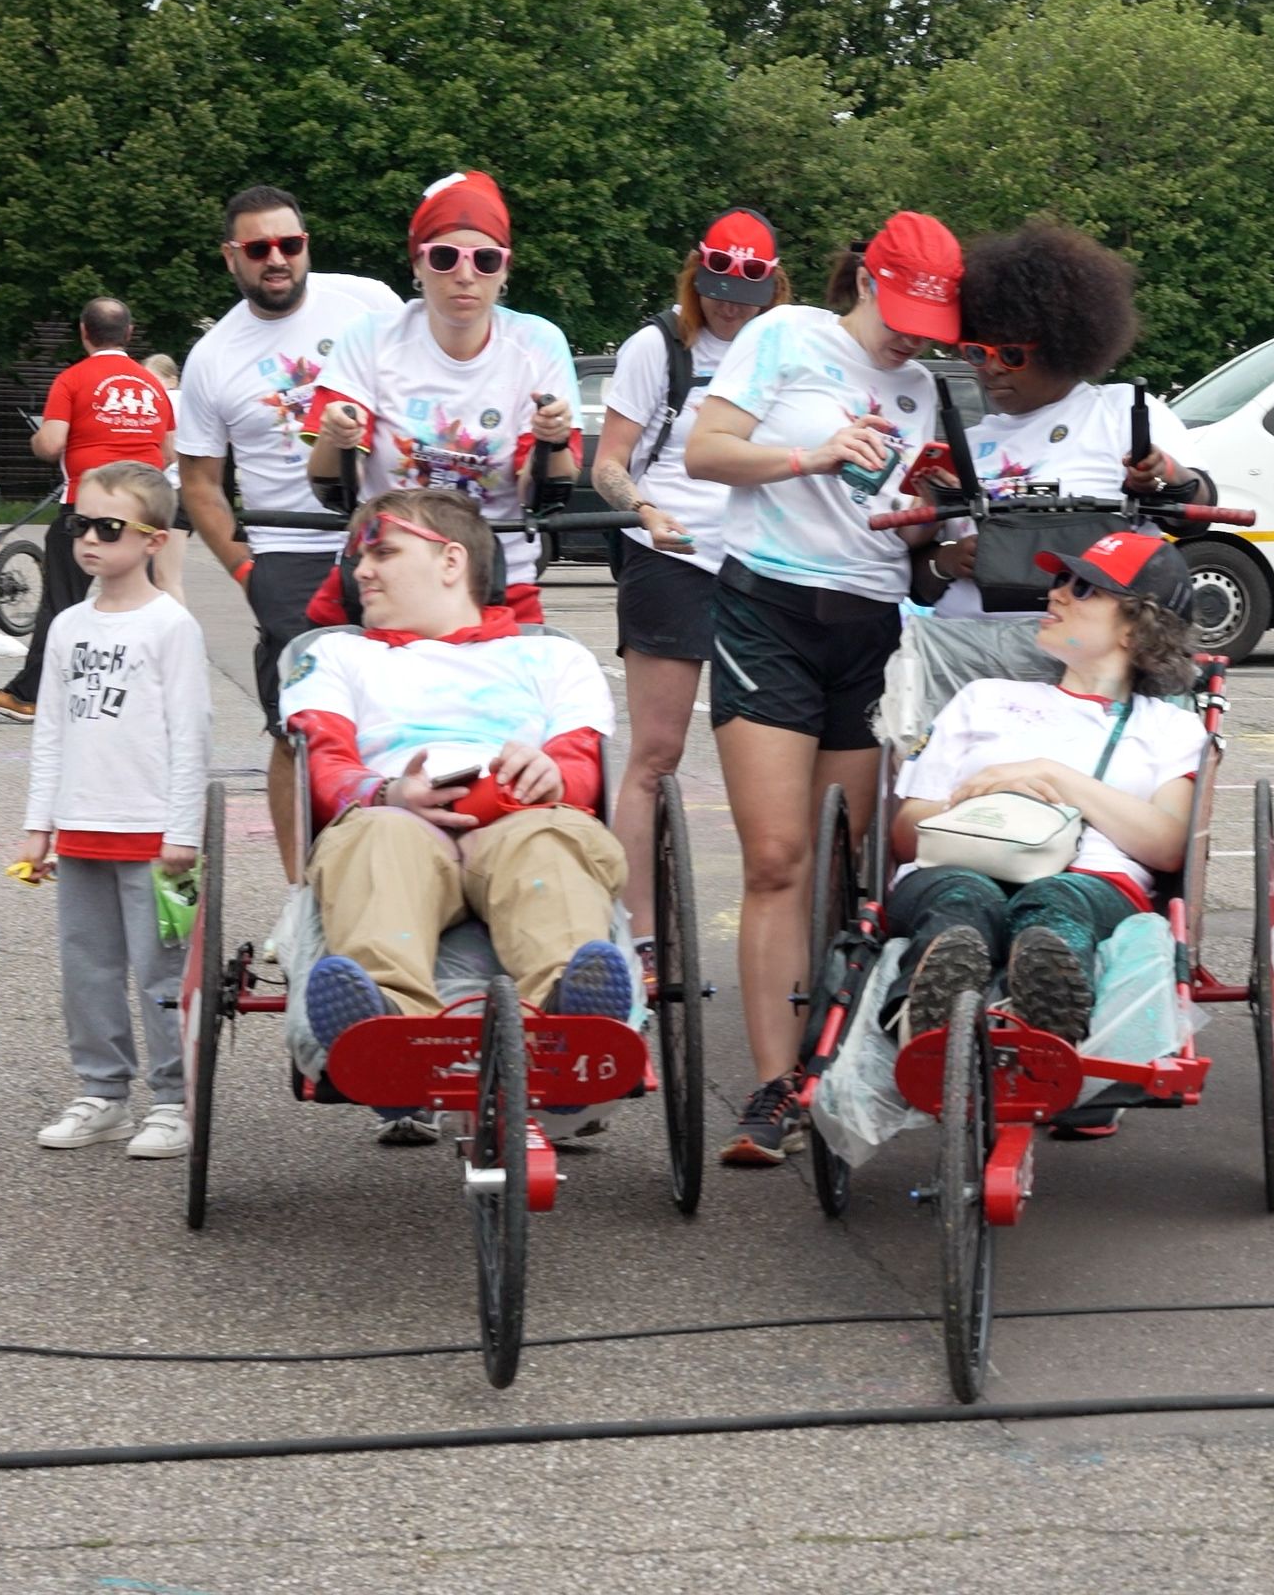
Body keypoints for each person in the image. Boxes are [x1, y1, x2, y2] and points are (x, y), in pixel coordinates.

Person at [685, 214, 963, 1165]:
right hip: (768, 606)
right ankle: (773, 1088)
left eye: (933, 326)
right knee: (777, 857)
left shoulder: (925, 388)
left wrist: (929, 519)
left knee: (845, 867)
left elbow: (911, 532)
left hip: (870, 622)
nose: (914, 339)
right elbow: (706, 452)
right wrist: (815, 453)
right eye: (905, 316)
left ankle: (832, 1058)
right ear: (868, 282)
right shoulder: (785, 334)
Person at [285, 489, 644, 1048]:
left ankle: (569, 1014)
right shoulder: (334, 654)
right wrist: (387, 794)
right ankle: (384, 1022)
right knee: (377, 839)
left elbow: (580, 761)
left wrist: (552, 774)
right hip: (397, 820)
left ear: (451, 561)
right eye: (360, 557)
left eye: (384, 553)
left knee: (552, 838)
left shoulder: (554, 656)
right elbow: (325, 763)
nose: (361, 571)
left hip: (520, 815)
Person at [886, 530, 1212, 1052]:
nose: (1055, 594)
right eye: (1061, 580)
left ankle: (1044, 1015)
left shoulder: (1169, 727)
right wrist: (979, 798)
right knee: (962, 902)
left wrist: (1056, 778)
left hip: (1088, 879)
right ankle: (926, 1018)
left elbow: (1169, 845)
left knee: (1055, 902)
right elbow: (905, 835)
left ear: (1137, 628)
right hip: (960, 859)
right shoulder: (983, 698)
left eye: (1084, 589)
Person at [176, 185, 404, 883]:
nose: (276, 259)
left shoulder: (367, 302)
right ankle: (302, 889)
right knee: (296, 727)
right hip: (288, 547)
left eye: (289, 244)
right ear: (231, 257)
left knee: (403, 707)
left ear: (306, 244)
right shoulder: (213, 356)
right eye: (258, 248)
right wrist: (247, 569)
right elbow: (200, 483)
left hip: (385, 535)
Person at [13, 460, 211, 1161]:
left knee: (163, 975)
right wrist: (39, 825)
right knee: (87, 969)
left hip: (154, 835)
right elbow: (51, 729)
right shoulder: (68, 625)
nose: (90, 539)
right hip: (81, 828)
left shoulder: (171, 626)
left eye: (108, 527)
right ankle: (103, 1094)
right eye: (79, 524)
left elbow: (190, 734)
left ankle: (173, 1100)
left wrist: (182, 831)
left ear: (154, 540)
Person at [591, 208, 779, 905]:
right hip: (672, 555)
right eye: (718, 290)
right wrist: (642, 509)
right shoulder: (658, 346)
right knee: (656, 754)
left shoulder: (780, 346)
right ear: (696, 276)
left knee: (768, 761)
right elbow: (607, 464)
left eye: (747, 295)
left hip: (761, 562)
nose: (731, 307)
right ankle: (635, 932)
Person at [308, 170, 583, 599]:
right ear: (418, 264)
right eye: (444, 257)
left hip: (495, 580)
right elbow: (330, 487)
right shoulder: (370, 337)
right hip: (387, 580)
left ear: (504, 270)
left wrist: (554, 441)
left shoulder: (539, 342)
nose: (465, 274)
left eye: (485, 260)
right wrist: (336, 437)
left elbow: (543, 494)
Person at [927, 219, 1200, 616]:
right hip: (963, 642)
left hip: (1087, 646)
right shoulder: (963, 446)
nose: (991, 368)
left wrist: (1167, 474)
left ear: (1061, 346)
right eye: (976, 353)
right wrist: (946, 561)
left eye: (1011, 355)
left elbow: (1197, 515)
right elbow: (917, 578)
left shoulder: (1121, 413)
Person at [0, 299, 174, 722]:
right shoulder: (152, 384)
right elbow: (170, 452)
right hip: (144, 511)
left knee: (62, 602)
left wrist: (37, 439)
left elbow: (51, 444)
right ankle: (150, 694)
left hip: (88, 508)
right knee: (139, 602)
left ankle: (30, 696)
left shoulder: (72, 379)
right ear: (129, 333)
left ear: (84, 331)